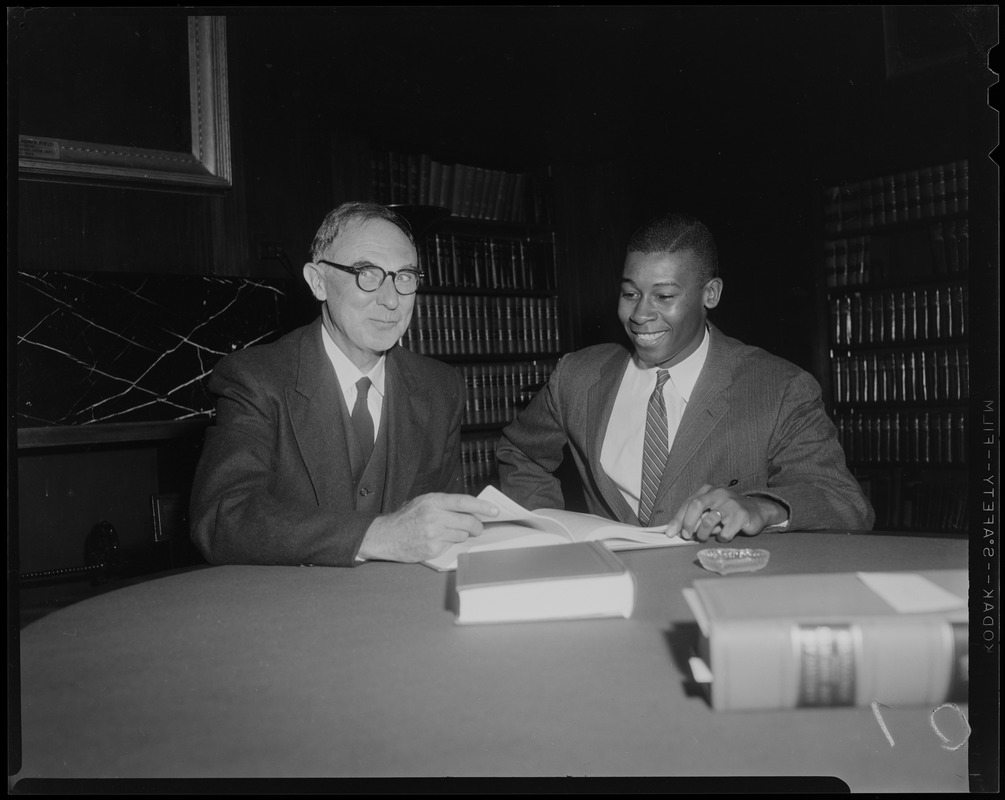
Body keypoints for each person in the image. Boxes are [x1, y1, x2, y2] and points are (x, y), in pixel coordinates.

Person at [496, 211, 874, 542]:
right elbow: (520, 452)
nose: (640, 315)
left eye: (663, 297)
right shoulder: (577, 376)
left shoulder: (780, 389)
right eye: (630, 293)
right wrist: (546, 530)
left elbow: (845, 503)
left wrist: (763, 507)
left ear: (710, 293)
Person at [190, 202, 497, 566]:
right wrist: (375, 536)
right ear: (318, 282)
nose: (390, 300)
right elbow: (221, 519)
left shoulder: (439, 387)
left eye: (405, 277)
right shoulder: (256, 378)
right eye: (367, 273)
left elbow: (443, 532)